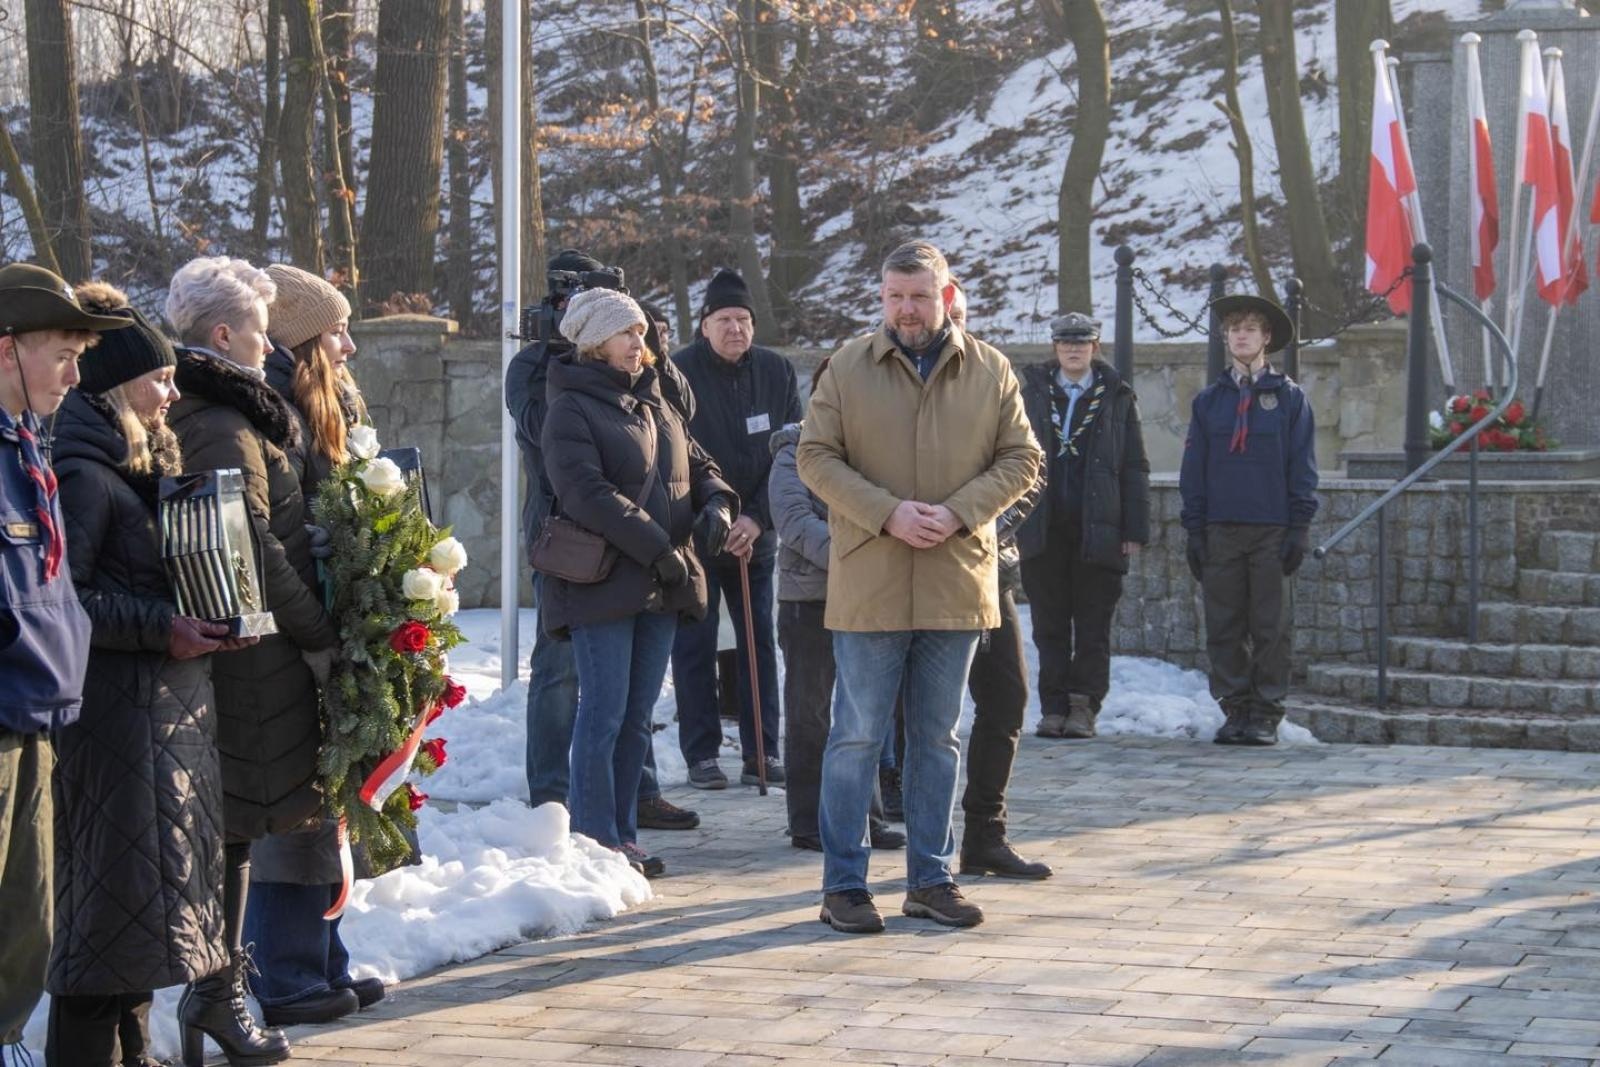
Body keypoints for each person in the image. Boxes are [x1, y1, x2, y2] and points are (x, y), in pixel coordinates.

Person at [797, 240, 1041, 934]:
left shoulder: (990, 369)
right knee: (857, 738)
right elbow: (813, 457)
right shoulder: (846, 367)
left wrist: (960, 510)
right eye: (894, 296)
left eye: (919, 296)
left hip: (956, 582)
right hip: (870, 582)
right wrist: (886, 511)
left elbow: (1024, 457)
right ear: (882, 296)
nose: (906, 309)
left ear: (947, 294)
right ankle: (843, 884)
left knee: (938, 739)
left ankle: (931, 879)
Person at [46, 283, 246, 1067]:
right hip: (112, 727)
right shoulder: (85, 472)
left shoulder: (131, 462)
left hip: (155, 722)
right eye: (157, 380)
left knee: (134, 941)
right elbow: (68, 596)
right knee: (103, 937)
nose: (172, 392)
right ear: (111, 385)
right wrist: (164, 625)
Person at [165, 256, 340, 1063]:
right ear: (224, 335)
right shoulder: (221, 421)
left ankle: (221, 997)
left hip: (260, 652)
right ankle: (217, 994)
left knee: (240, 832)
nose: (273, 349)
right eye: (262, 333)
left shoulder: (238, 411)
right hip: (252, 659)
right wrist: (314, 631)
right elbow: (256, 546)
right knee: (234, 832)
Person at [539, 287, 735, 877]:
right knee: (602, 714)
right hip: (605, 583)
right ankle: (597, 840)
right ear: (595, 341)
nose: (639, 343)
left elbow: (698, 463)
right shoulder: (569, 407)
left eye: (641, 334)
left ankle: (623, 834)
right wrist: (660, 549)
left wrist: (721, 501)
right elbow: (587, 494)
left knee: (635, 717)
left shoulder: (653, 398)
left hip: (661, 583)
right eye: (627, 333)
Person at [506, 250, 700, 832]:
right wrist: (573, 360)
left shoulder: (645, 376)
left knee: (630, 706)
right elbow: (558, 456)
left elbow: (685, 417)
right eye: (620, 324)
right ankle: (555, 800)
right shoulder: (539, 366)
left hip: (647, 557)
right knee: (568, 678)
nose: (634, 337)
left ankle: (632, 801)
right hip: (571, 544)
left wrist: (652, 354)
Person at [243, 263, 386, 1028]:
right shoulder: (274, 409)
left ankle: (319, 954)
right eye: (336, 331)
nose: (350, 345)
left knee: (324, 801)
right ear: (302, 340)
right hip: (288, 639)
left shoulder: (316, 401)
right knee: (291, 809)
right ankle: (282, 966)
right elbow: (280, 527)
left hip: (321, 627)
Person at [0, 263, 121, 1061]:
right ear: (6, 349)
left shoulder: (24, 445)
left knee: (27, 917)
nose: (77, 375)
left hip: (35, 714)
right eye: (62, 354)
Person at [670, 268, 801, 789]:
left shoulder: (776, 371)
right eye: (724, 319)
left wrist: (755, 518)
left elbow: (792, 449)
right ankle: (702, 754)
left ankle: (763, 751)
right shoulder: (678, 371)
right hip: (698, 529)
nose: (736, 329)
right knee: (695, 642)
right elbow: (675, 455)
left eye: (744, 320)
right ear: (705, 325)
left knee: (757, 642)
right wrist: (716, 515)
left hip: (756, 531)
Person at [769, 358, 905, 855]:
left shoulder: (877, 448)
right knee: (809, 712)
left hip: (866, 599)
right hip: (810, 600)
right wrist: (857, 556)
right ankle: (806, 821)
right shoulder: (793, 448)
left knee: (863, 715)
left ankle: (865, 818)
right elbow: (794, 521)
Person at [946, 282, 1052, 881]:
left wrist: (983, 523)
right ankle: (922, 839)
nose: (950, 325)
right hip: (921, 570)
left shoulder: (992, 375)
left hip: (991, 566)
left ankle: (986, 832)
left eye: (958, 315)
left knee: (1007, 696)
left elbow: (1029, 469)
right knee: (923, 715)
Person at [1179, 294, 1318, 747]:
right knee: (1224, 625)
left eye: (1251, 328)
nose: (1241, 335)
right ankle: (1235, 707)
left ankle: (1266, 712)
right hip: (1221, 528)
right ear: (1225, 339)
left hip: (1271, 529)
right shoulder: (1209, 402)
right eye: (1234, 328)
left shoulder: (1290, 399)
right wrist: (1195, 529)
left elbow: (1302, 466)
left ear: (1266, 339)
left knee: (1270, 627)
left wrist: (1299, 526)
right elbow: (1194, 469)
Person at [1015, 312, 1150, 741]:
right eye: (1065, 343)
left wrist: (1135, 528)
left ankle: (1084, 705)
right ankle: (1053, 707)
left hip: (1100, 528)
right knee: (1048, 625)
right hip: (1044, 526)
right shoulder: (1032, 393)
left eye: (1082, 343)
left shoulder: (1116, 395)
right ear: (1055, 348)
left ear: (1095, 347)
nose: (1073, 349)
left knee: (1092, 627)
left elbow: (1134, 465)